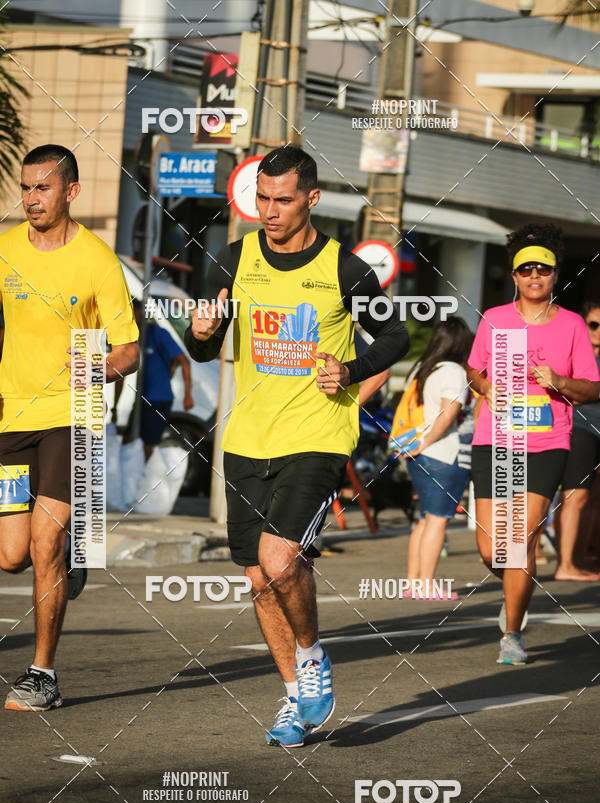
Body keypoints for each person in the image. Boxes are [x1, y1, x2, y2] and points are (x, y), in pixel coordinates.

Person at [184, 146, 409, 748]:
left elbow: (395, 334)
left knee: (282, 560)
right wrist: (201, 332)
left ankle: (312, 657)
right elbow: (206, 345)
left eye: (283, 200)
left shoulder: (345, 269)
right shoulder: (233, 260)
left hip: (316, 434)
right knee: (259, 580)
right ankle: (293, 699)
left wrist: (353, 368)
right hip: (248, 437)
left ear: (311, 198)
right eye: (263, 199)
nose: (270, 211)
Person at [1, 145, 139, 711]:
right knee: (12, 554)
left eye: (43, 188)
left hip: (73, 414)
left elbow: (129, 350)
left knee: (44, 542)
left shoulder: (98, 261)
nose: (32, 199)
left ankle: (43, 674)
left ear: (71, 192)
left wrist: (100, 365)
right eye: (27, 188)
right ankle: (73, 558)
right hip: (12, 416)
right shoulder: (5, 249)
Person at [467, 224, 600, 665]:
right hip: (496, 438)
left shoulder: (573, 326)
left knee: (519, 536)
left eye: (543, 270)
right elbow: (474, 370)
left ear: (555, 275)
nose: (535, 277)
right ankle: (516, 585)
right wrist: (485, 388)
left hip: (546, 441)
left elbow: (591, 389)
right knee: (493, 549)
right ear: (515, 276)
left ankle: (511, 633)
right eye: (526, 270)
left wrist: (560, 381)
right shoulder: (494, 319)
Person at [396, 317, 474, 600]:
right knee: (438, 520)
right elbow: (448, 412)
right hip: (444, 453)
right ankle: (426, 584)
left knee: (425, 519)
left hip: (420, 455)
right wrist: (427, 441)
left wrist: (419, 444)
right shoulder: (453, 370)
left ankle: (413, 582)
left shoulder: (422, 368)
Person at [553, 299, 600, 580]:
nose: (599, 331)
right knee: (574, 496)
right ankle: (565, 565)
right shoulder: (573, 353)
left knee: (593, 499)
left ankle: (579, 557)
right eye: (594, 324)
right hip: (579, 429)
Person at [113, 301, 193, 461]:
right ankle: (131, 481)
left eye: (133, 314)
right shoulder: (131, 339)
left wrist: (188, 395)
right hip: (142, 400)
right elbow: (120, 375)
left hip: (158, 400)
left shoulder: (157, 333)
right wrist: (114, 407)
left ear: (141, 313)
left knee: (147, 447)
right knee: (127, 442)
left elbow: (184, 361)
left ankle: (146, 481)